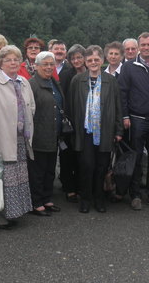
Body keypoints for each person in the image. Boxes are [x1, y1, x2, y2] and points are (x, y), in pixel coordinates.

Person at [0, 45, 35, 225]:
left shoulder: (24, 81)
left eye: (16, 59)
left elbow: (31, 106)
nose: (13, 63)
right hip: (0, 137)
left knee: (17, 176)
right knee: (3, 176)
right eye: (8, 60)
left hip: (20, 138)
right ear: (0, 63)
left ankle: (16, 211)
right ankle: (1, 214)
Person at [69, 45, 123, 213]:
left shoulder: (110, 80)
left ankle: (99, 198)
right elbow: (71, 106)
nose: (93, 63)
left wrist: (119, 130)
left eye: (96, 60)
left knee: (101, 166)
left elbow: (118, 106)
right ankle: (85, 198)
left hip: (105, 131)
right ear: (85, 61)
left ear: (102, 61)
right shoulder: (78, 80)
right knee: (86, 166)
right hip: (85, 132)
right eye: (90, 60)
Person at [118, 32, 149, 210]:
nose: (146, 48)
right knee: (137, 159)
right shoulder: (129, 67)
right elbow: (122, 93)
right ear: (139, 47)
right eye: (143, 45)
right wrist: (124, 116)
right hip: (137, 119)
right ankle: (135, 195)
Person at [28, 52, 64, 216]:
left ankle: (47, 198)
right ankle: (36, 202)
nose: (49, 67)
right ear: (36, 66)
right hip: (38, 135)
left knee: (50, 170)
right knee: (37, 171)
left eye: (51, 64)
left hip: (53, 133)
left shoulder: (54, 82)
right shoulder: (31, 84)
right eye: (45, 64)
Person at [57, 43, 87, 203]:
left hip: (87, 120)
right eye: (73, 58)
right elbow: (63, 98)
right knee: (67, 155)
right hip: (70, 120)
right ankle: (69, 188)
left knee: (83, 156)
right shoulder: (66, 74)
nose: (76, 60)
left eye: (79, 57)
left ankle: (82, 185)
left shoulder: (92, 72)